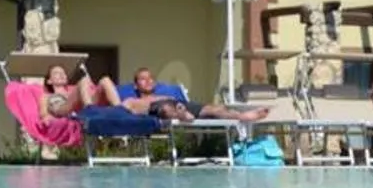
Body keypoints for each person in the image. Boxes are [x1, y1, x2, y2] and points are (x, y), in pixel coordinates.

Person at [119, 67, 269, 123]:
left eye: (150, 78)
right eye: (143, 79)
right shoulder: (132, 100)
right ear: (135, 85)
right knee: (165, 108)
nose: (148, 81)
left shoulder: (165, 94)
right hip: (159, 110)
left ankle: (244, 116)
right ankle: (181, 115)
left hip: (180, 105)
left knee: (212, 108)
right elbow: (120, 110)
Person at [41, 63, 120, 118]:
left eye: (63, 73)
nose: (62, 75)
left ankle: (120, 110)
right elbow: (43, 114)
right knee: (83, 80)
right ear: (49, 81)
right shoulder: (47, 96)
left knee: (105, 80)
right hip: (60, 109)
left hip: (79, 107)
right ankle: (90, 110)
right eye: (56, 73)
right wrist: (46, 117)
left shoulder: (72, 92)